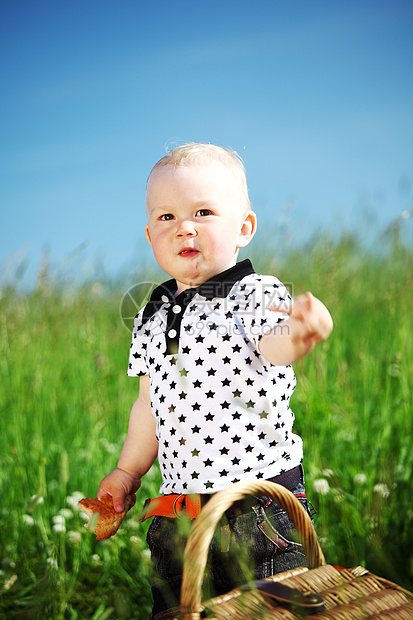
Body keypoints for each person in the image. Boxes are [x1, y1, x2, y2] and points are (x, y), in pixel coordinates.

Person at [97, 143, 333, 618]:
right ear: (150, 237)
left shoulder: (252, 293)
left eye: (202, 212)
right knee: (180, 609)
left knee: (274, 608)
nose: (184, 227)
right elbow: (149, 404)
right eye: (166, 218)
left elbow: (274, 344)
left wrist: (300, 330)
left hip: (259, 508)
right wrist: (127, 472)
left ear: (243, 227)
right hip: (180, 512)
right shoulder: (153, 315)